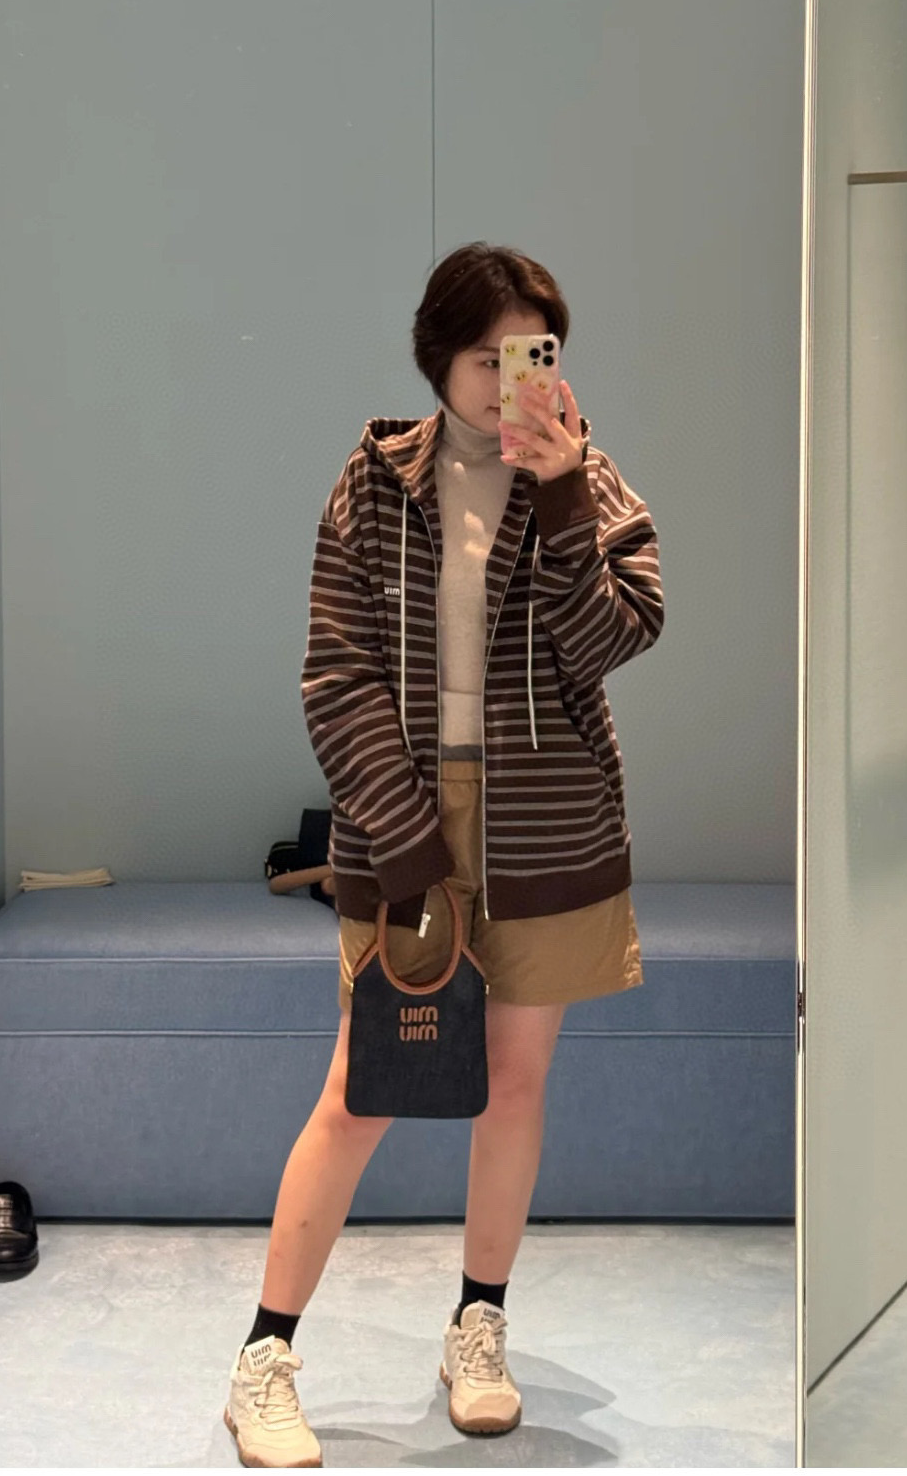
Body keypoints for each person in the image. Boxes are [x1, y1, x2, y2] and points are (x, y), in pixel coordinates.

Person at [224, 242, 665, 1468]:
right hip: (406, 816)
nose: (509, 378)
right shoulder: (374, 482)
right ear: (438, 359)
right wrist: (407, 846)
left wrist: (563, 496)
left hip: (546, 819)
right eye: (484, 355)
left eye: (531, 353)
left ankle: (478, 1326)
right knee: (361, 1092)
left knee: (513, 1085)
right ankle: (263, 1357)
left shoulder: (583, 476)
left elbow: (611, 640)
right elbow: (336, 676)